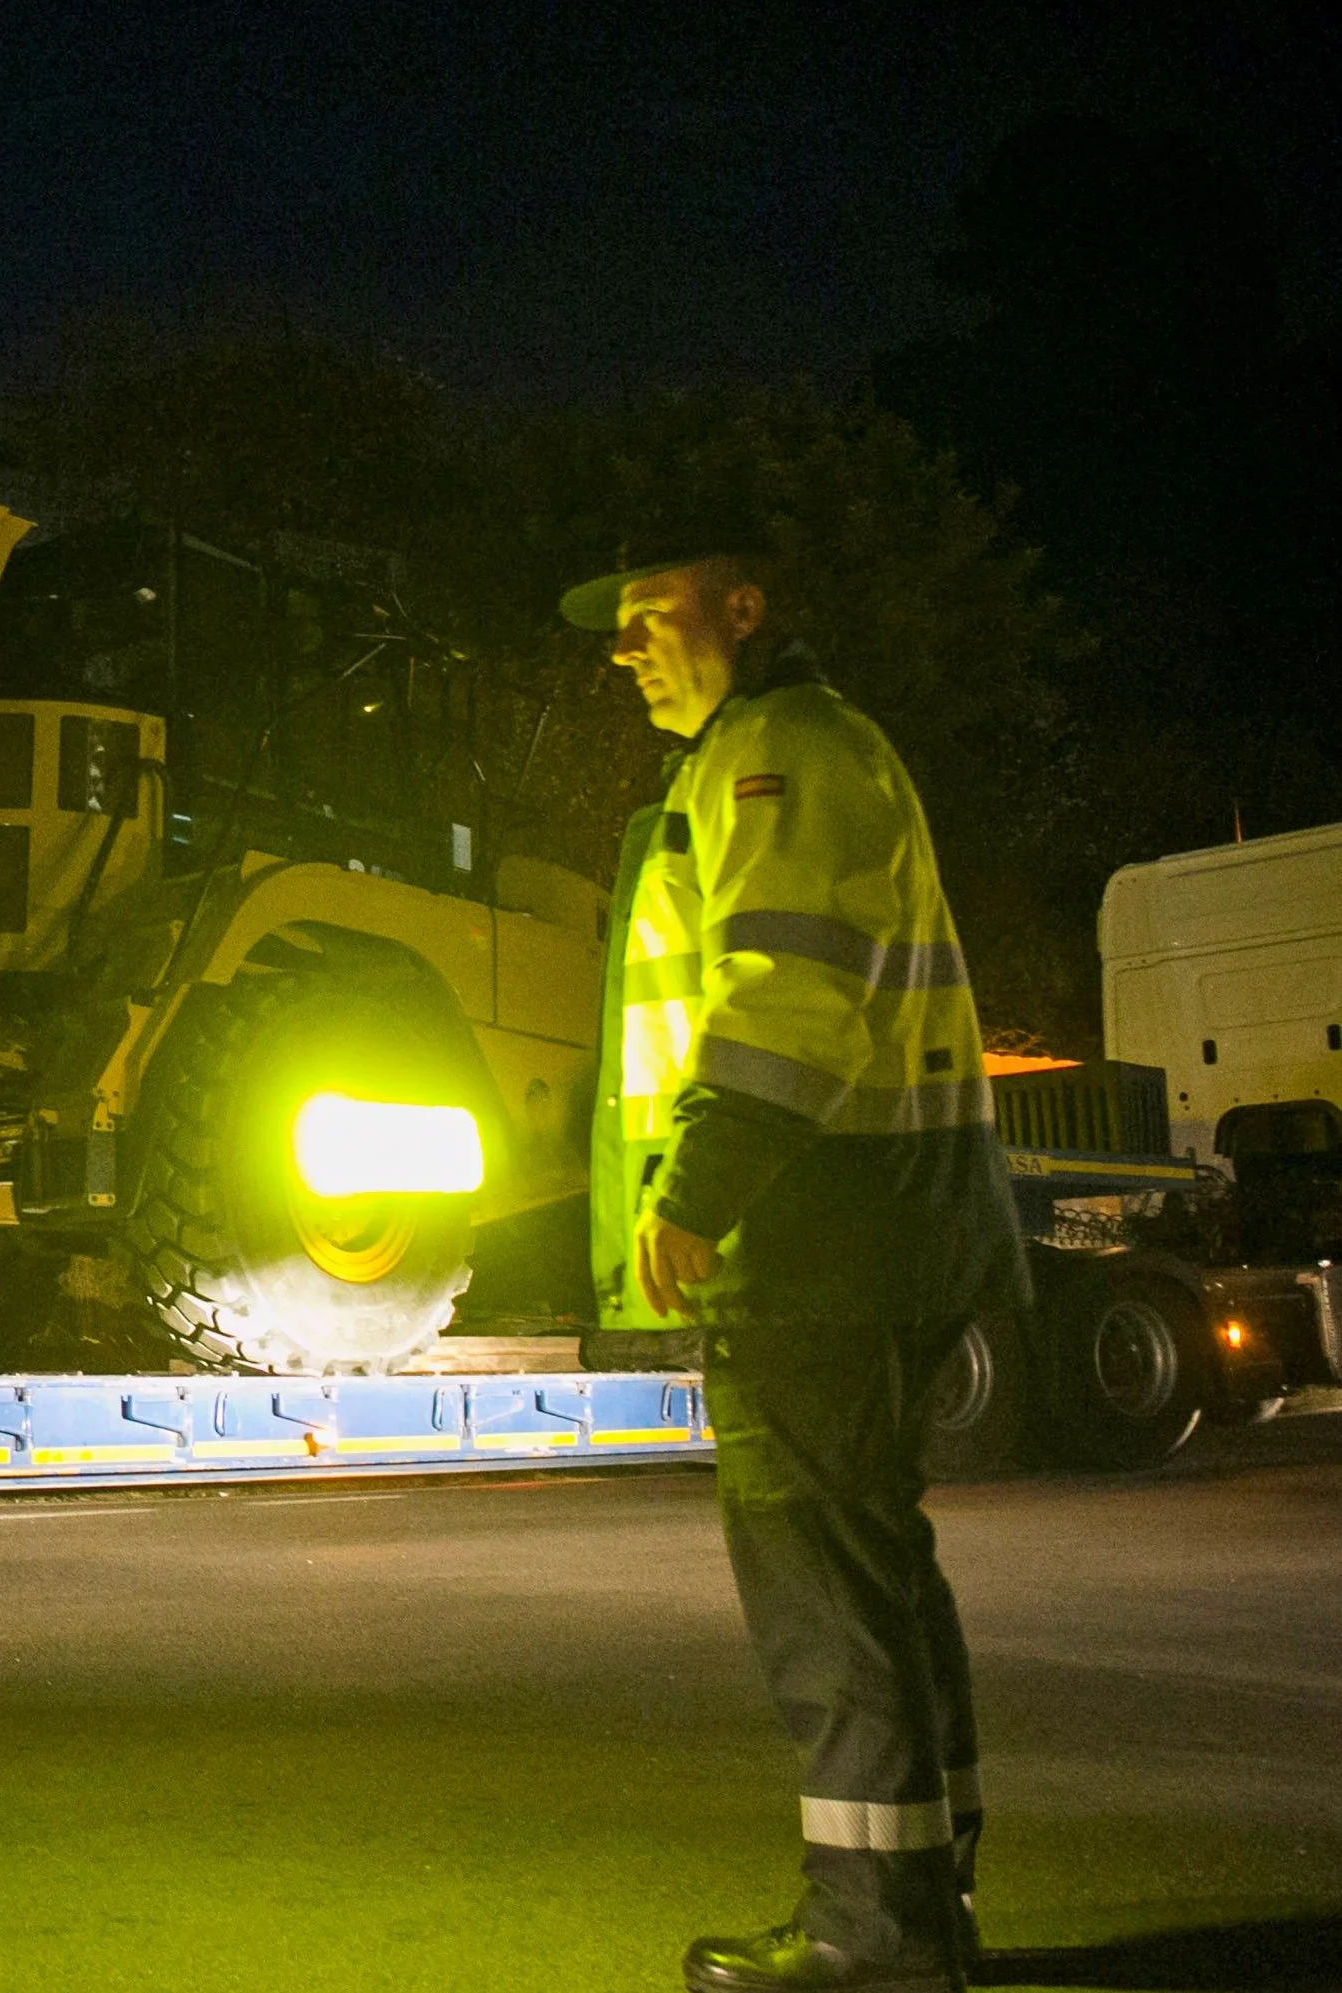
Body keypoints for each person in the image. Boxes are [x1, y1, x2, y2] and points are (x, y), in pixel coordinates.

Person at [570, 534, 1028, 1993]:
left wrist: (699, 1182)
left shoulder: (771, 749)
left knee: (824, 1585)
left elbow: (788, 987)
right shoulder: (792, 749)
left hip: (818, 1224)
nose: (623, 649)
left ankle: (873, 1939)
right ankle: (920, 1901)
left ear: (744, 610)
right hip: (867, 1214)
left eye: (651, 615)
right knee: (873, 1565)